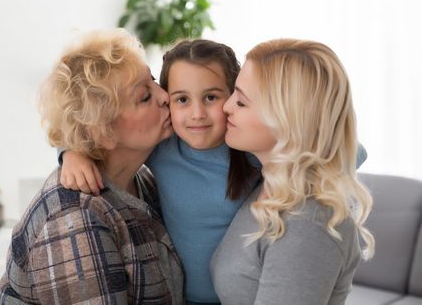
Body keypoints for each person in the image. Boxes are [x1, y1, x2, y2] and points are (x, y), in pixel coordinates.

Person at [61, 39, 368, 304]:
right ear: (168, 103)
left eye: (217, 97)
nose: (199, 113)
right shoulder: (164, 148)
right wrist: (72, 154)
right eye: (182, 99)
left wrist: (305, 158)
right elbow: (92, 128)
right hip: (180, 293)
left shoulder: (252, 157)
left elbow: (346, 146)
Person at [0, 29, 183, 304]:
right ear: (103, 131)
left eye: (153, 81)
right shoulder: (75, 218)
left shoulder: (142, 178)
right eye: (144, 96)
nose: (165, 96)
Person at [210, 38, 375, 305]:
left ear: (286, 119)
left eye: (241, 101)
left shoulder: (308, 222)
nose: (226, 107)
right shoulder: (270, 188)